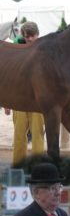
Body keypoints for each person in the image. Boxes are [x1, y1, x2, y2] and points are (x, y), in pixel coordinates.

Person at [6, 21, 45, 166]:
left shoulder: (44, 51)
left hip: (38, 101)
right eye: (26, 36)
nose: (29, 39)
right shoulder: (16, 51)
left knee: (38, 135)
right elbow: (11, 77)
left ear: (37, 35)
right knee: (18, 136)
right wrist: (7, 101)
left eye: (32, 36)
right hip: (19, 100)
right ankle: (18, 166)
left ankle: (38, 166)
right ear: (22, 35)